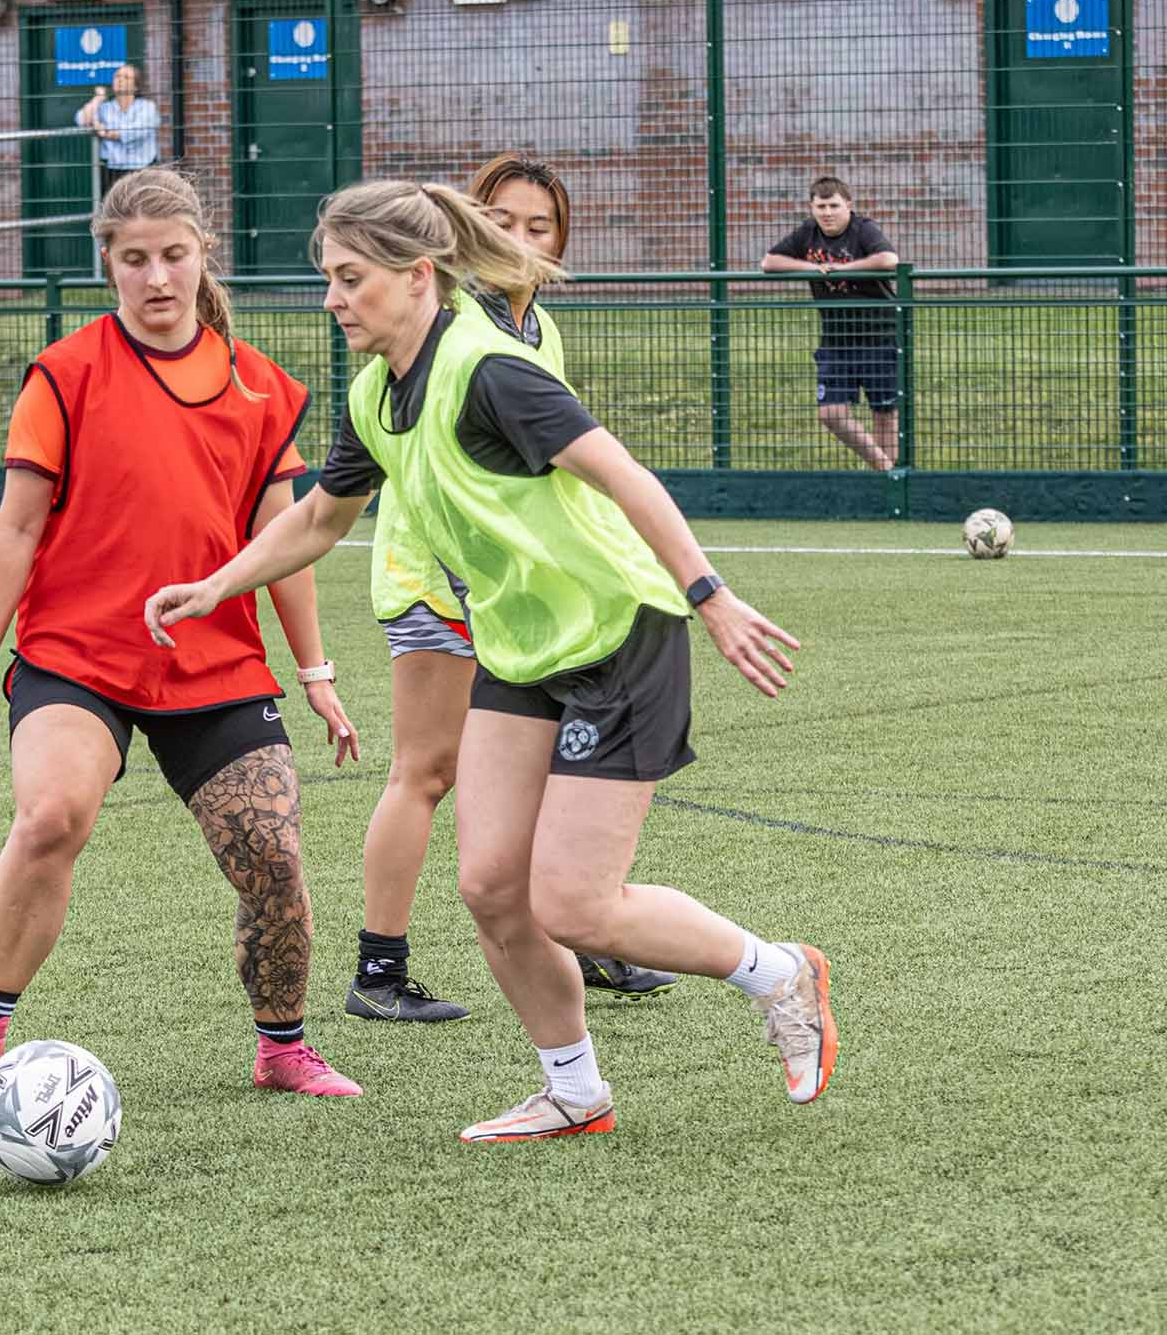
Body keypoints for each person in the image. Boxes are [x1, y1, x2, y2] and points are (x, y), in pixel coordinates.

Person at [145, 179, 840, 1142]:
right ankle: (574, 1092)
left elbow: (623, 473)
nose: (333, 300)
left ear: (416, 276)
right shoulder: (375, 391)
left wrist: (709, 596)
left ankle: (781, 973)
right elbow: (318, 518)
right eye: (329, 280)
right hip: (520, 649)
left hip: (617, 636)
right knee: (490, 888)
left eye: (350, 280)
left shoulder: (489, 371)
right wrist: (219, 586)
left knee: (577, 903)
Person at [0, 168, 365, 1109]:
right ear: (107, 265)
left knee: (272, 858)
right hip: (77, 657)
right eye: (134, 260)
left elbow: (284, 546)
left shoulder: (261, 387)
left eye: (174, 255)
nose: (157, 278)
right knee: (51, 818)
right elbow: (18, 527)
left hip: (217, 662)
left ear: (204, 256)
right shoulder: (65, 374)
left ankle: (283, 1047)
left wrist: (314, 672)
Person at [345, 153, 677, 1026]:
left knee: (549, 765)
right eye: (503, 220)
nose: (519, 240)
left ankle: (585, 928)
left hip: (518, 594)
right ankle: (380, 967)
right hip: (440, 581)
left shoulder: (540, 330)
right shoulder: (447, 320)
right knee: (426, 770)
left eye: (540, 226)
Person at [760, 176, 902, 471]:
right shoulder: (808, 232)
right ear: (812, 208)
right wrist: (813, 268)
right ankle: (887, 470)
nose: (827, 212)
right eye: (821, 206)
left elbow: (889, 259)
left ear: (848, 205)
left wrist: (843, 269)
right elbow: (769, 262)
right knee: (831, 414)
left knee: (885, 413)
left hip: (879, 334)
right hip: (836, 339)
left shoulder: (864, 228)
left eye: (834, 205)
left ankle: (890, 487)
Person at [75, 64, 160, 191]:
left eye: (126, 77)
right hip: (113, 172)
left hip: (142, 170)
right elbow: (82, 119)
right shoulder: (106, 107)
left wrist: (103, 132)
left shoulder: (147, 107)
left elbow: (133, 133)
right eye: (117, 76)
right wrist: (98, 99)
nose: (120, 80)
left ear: (136, 86)